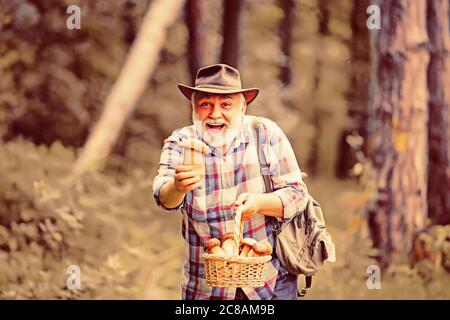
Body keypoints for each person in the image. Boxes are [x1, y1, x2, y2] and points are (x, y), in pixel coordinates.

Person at [152, 64, 309, 300]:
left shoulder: (264, 133)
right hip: (206, 286)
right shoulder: (181, 142)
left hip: (271, 281)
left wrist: (258, 203)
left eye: (226, 105)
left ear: (243, 106)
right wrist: (177, 187)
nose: (215, 114)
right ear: (193, 107)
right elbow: (163, 198)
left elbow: (297, 195)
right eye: (205, 104)